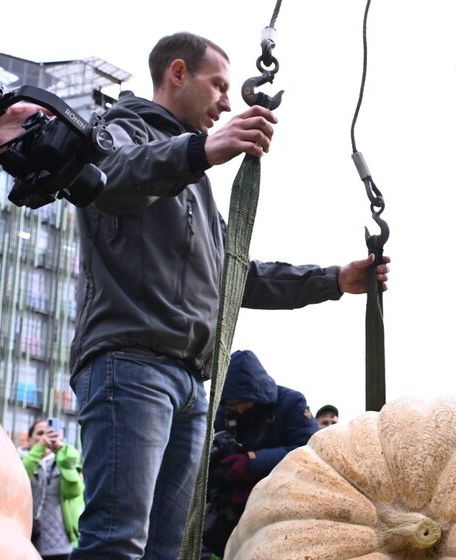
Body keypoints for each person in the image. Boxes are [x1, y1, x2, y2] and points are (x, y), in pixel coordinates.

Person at [68, 31, 390, 560]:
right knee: (116, 540)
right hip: (130, 364)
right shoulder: (119, 129)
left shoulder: (191, 175)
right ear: (177, 74)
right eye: (218, 85)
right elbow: (110, 179)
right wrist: (203, 150)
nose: (226, 101)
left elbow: (236, 275)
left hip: (193, 382)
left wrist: (334, 280)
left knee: (169, 548)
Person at [202, 349, 318, 556]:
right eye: (232, 404)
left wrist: (252, 462)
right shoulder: (224, 411)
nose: (238, 410)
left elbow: (309, 450)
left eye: (243, 403)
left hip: (285, 501)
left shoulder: (291, 403)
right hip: (234, 506)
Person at [20, 419, 84, 560]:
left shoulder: (64, 462)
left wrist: (62, 453)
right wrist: (38, 448)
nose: (45, 437)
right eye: (40, 433)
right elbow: (19, 479)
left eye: (49, 433)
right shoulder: (19, 461)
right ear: (29, 439)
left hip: (60, 544)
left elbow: (74, 491)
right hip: (28, 541)